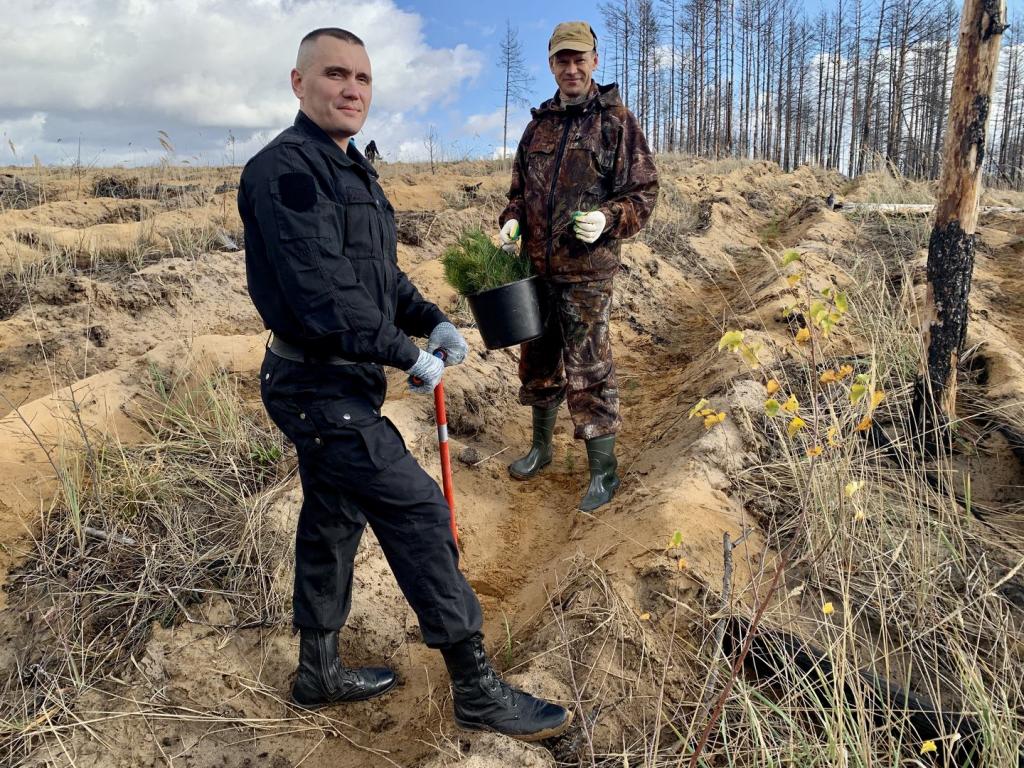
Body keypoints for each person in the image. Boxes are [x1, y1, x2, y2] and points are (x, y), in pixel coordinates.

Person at [237, 27, 571, 741]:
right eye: (334, 75)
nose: (352, 89)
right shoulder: (286, 172)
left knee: (332, 515)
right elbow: (326, 295)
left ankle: (318, 669)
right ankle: (476, 685)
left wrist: (430, 318)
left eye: (362, 77)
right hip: (313, 384)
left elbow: (376, 276)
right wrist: (405, 354)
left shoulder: (349, 168)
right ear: (299, 83)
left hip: (342, 381)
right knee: (418, 510)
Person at [499, 21, 659, 511]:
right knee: (538, 362)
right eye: (561, 60)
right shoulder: (537, 128)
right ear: (551, 65)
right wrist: (510, 223)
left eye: (579, 58)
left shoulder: (615, 122)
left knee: (589, 368)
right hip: (537, 270)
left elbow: (644, 194)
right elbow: (518, 196)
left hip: (587, 273)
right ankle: (542, 448)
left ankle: (601, 472)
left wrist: (607, 219)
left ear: (594, 60)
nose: (571, 68)